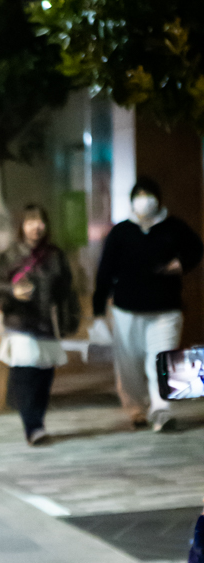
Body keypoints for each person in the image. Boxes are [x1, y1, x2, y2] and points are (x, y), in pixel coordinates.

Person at [93, 176, 204, 432]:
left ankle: (162, 410)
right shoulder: (121, 232)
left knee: (162, 361)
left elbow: (196, 248)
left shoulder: (173, 227)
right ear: (132, 201)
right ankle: (135, 408)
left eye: (148, 195)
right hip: (126, 311)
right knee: (129, 365)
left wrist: (180, 264)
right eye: (139, 196)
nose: (144, 201)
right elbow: (105, 271)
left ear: (158, 199)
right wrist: (98, 308)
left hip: (165, 309)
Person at [0, 204, 79, 446]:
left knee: (43, 376)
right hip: (20, 322)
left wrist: (68, 320)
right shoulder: (11, 254)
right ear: (22, 226)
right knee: (27, 372)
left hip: (46, 324)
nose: (36, 227)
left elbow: (66, 292)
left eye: (40, 221)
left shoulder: (55, 256)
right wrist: (12, 291)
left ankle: (37, 421)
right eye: (30, 222)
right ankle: (33, 426)